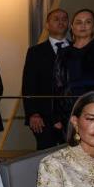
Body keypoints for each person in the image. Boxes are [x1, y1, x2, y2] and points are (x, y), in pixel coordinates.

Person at [52, 9, 94, 133]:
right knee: (75, 149)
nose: (83, 26)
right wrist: (56, 115)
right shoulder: (63, 53)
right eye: (79, 22)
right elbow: (58, 84)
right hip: (70, 111)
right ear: (72, 26)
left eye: (88, 22)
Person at [22, 8, 69, 149]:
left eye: (64, 19)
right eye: (56, 19)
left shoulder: (77, 49)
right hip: (43, 117)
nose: (61, 22)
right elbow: (28, 84)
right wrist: (32, 113)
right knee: (46, 159)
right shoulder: (35, 52)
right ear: (47, 25)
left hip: (72, 117)